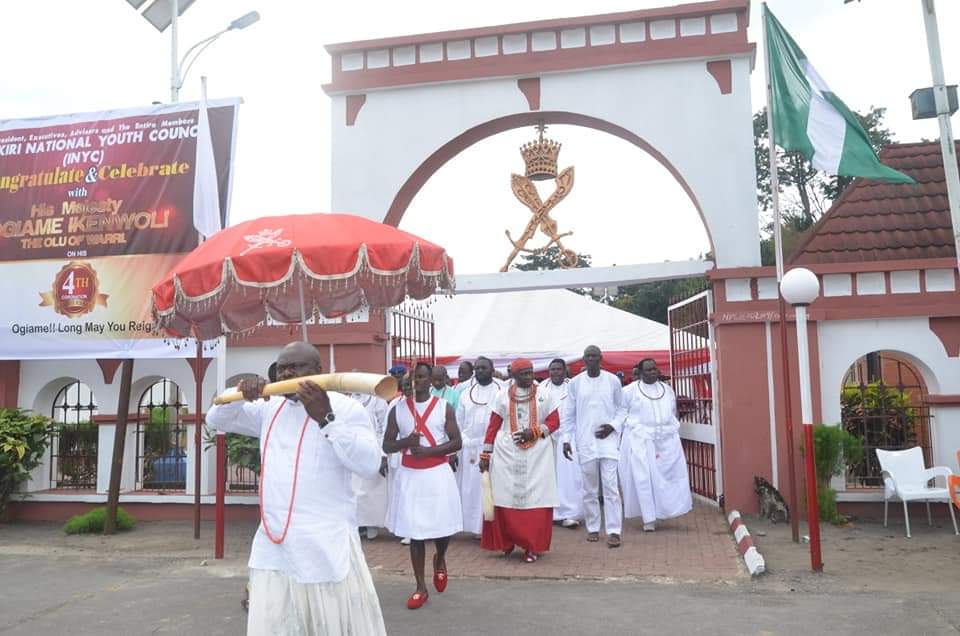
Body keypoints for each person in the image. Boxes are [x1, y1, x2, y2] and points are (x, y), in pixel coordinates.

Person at [206, 341, 386, 635]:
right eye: (281, 368)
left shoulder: (345, 408)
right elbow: (215, 419)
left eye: (296, 366)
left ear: (318, 371)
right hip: (274, 541)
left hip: (325, 542)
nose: (286, 373)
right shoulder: (269, 408)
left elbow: (368, 464)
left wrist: (326, 419)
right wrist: (241, 395)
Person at [383, 362, 463, 610]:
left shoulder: (443, 407)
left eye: (423, 377)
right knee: (415, 532)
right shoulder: (397, 409)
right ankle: (420, 586)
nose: (419, 381)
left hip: (437, 473)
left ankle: (439, 559)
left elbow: (456, 442)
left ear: (431, 380)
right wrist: (406, 441)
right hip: (410, 476)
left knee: (442, 528)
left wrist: (429, 451)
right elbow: (386, 445)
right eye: (415, 377)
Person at [479, 358, 562, 563]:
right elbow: (493, 426)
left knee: (537, 499)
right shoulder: (501, 396)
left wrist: (534, 431)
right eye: (523, 373)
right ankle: (506, 543)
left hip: (538, 456)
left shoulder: (544, 394)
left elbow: (554, 421)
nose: (529, 377)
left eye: (530, 372)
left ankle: (531, 547)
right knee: (504, 497)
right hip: (506, 453)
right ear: (513, 376)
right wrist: (485, 455)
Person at [561, 345, 626, 548]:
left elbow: (622, 409)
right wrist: (566, 440)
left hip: (608, 442)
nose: (591, 360)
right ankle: (593, 528)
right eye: (587, 356)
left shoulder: (612, 380)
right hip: (585, 442)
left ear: (601, 358)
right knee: (589, 489)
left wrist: (612, 427)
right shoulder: (575, 383)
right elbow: (568, 414)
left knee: (611, 487)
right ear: (583, 359)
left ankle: (614, 531)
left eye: (594, 356)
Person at [619, 358, 693, 532]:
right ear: (640, 373)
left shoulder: (667, 390)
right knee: (643, 478)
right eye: (649, 370)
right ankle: (648, 518)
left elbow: (672, 412)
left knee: (669, 477)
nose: (653, 372)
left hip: (667, 440)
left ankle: (667, 510)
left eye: (654, 369)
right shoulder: (628, 391)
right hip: (641, 440)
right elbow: (621, 413)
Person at [455, 356, 503, 537]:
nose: (480, 371)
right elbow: (459, 421)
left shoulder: (501, 391)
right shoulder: (466, 393)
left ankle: (490, 527)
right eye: (477, 369)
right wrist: (464, 441)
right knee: (471, 489)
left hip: (493, 447)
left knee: (491, 487)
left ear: (492, 370)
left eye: (484, 368)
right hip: (470, 447)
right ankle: (475, 528)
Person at [538, 358, 582, 529]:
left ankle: (569, 513)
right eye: (552, 369)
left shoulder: (573, 386)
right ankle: (550, 513)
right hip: (546, 437)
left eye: (558, 369)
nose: (555, 372)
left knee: (569, 477)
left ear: (565, 371)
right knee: (548, 476)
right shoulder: (541, 389)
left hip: (568, 437)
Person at [350, 376, 390, 541]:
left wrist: (382, 453)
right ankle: (358, 524)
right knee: (355, 489)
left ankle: (372, 524)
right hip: (354, 450)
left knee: (371, 490)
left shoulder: (377, 401)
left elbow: (384, 427)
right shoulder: (349, 401)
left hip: (373, 448)